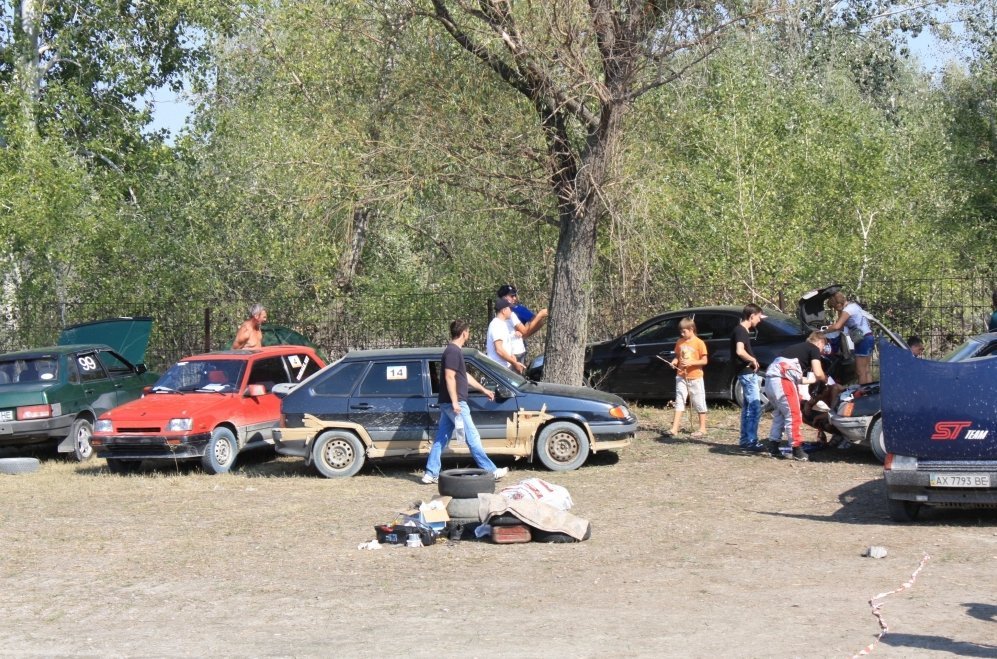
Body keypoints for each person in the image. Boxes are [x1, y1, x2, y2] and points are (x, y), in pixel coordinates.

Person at [422, 319, 508, 484]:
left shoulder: (453, 351)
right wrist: (455, 402)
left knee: (441, 438)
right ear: (464, 333)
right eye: (468, 331)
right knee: (472, 436)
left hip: (449, 403)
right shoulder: (453, 352)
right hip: (456, 403)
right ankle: (491, 471)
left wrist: (483, 389)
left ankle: (430, 473)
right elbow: (449, 376)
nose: (469, 334)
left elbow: (464, 376)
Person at [764, 331, 828, 461]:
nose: (821, 351)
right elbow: (818, 372)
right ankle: (797, 449)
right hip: (783, 380)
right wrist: (824, 379)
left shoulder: (795, 349)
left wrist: (811, 381)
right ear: (820, 342)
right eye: (823, 347)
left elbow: (797, 377)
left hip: (770, 381)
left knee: (780, 414)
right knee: (794, 415)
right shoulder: (813, 348)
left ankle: (773, 446)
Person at [731, 303, 766, 452]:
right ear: (751, 316)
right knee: (754, 407)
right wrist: (752, 360)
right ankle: (751, 441)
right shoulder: (741, 331)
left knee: (747, 408)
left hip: (747, 373)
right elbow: (739, 351)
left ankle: (745, 440)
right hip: (746, 373)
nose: (760, 320)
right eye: (758, 317)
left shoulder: (741, 330)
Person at [666, 317, 709, 438]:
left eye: (684, 331)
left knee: (698, 401)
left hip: (695, 377)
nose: (682, 334)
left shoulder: (699, 343)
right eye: (681, 331)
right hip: (681, 376)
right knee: (679, 400)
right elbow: (678, 356)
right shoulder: (680, 342)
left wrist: (691, 363)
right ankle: (674, 428)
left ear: (691, 329)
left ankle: (702, 428)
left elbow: (704, 361)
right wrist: (674, 362)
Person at [825, 291, 873, 384]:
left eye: (835, 307)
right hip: (868, 337)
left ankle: (862, 395)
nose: (835, 309)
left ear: (838, 303)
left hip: (862, 340)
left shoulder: (847, 310)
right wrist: (832, 326)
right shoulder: (854, 306)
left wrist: (824, 331)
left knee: (860, 372)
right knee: (866, 369)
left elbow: (838, 326)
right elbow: (842, 326)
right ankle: (870, 393)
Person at [496, 284, 548, 366]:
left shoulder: (518, 309)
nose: (514, 298)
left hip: (517, 349)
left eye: (515, 295)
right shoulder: (501, 312)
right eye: (511, 296)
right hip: (506, 350)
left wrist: (526, 334)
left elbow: (539, 322)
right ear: (503, 297)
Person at [486, 298, 525, 374]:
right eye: (510, 308)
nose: (511, 311)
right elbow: (499, 350)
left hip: (505, 368)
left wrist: (514, 361)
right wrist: (514, 363)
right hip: (498, 370)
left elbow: (506, 346)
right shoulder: (496, 325)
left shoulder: (502, 324)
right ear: (503, 311)